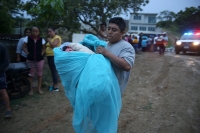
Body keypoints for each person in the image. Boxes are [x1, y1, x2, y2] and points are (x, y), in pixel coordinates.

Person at [96, 17, 135, 94]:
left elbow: (127, 66)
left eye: (114, 30)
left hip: (114, 91)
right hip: (101, 88)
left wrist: (106, 53)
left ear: (122, 32)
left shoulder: (126, 46)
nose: (110, 32)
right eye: (109, 29)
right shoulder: (106, 45)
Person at [22, 26, 46, 95]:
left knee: (39, 74)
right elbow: (23, 47)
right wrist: (27, 53)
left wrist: (42, 53)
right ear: (31, 32)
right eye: (33, 31)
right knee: (30, 75)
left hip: (40, 60)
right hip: (30, 59)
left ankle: (39, 89)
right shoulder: (27, 39)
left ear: (39, 32)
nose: (35, 32)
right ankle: (31, 90)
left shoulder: (42, 39)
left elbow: (44, 48)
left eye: (36, 31)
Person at [46, 27, 62, 91]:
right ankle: (54, 84)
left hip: (54, 56)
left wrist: (49, 40)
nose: (49, 33)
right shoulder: (51, 38)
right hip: (49, 56)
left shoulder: (57, 37)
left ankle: (56, 87)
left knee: (54, 71)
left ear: (54, 31)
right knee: (52, 71)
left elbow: (54, 45)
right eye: (48, 32)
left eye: (50, 31)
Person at [0, 44, 11, 118]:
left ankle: (8, 110)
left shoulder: (2, 47)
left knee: (2, 91)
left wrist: (0, 70)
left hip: (0, 73)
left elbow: (6, 61)